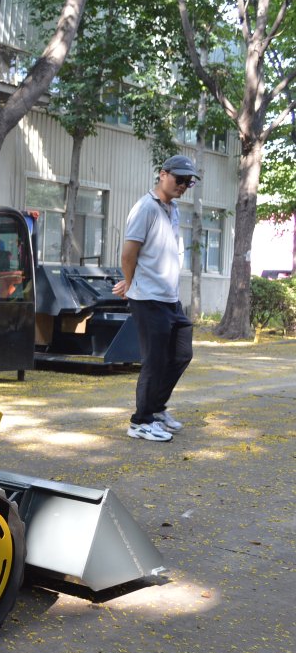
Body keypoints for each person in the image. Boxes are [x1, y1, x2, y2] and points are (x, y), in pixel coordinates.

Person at [112, 155, 197, 442]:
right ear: (163, 174)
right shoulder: (145, 208)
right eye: (180, 179)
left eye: (189, 181)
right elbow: (128, 253)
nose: (184, 185)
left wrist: (131, 279)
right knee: (155, 360)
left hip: (170, 299)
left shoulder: (172, 210)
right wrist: (132, 282)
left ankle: (156, 408)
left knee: (182, 353)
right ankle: (140, 421)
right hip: (149, 298)